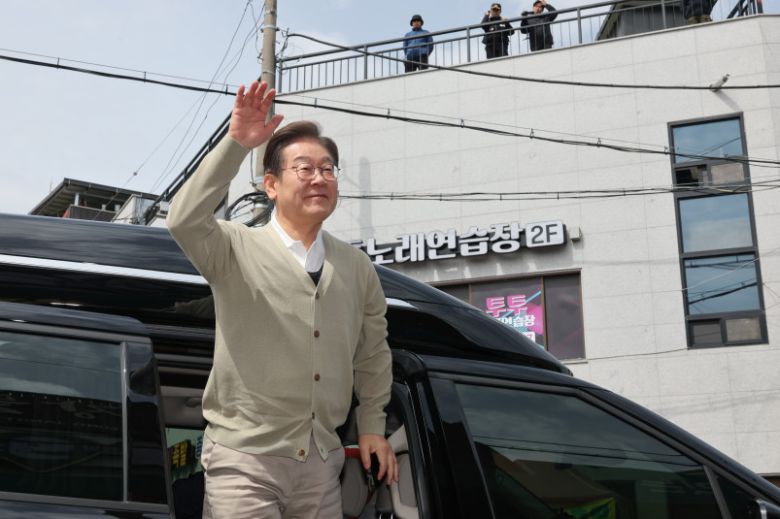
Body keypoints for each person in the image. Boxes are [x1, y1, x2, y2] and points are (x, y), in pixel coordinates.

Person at [168, 81, 398, 519]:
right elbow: (183, 219)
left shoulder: (357, 266)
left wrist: (372, 426)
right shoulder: (233, 247)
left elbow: (372, 354)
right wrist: (237, 144)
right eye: (305, 168)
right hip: (245, 463)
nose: (320, 178)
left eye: (328, 169)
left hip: (322, 466)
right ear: (271, 185)